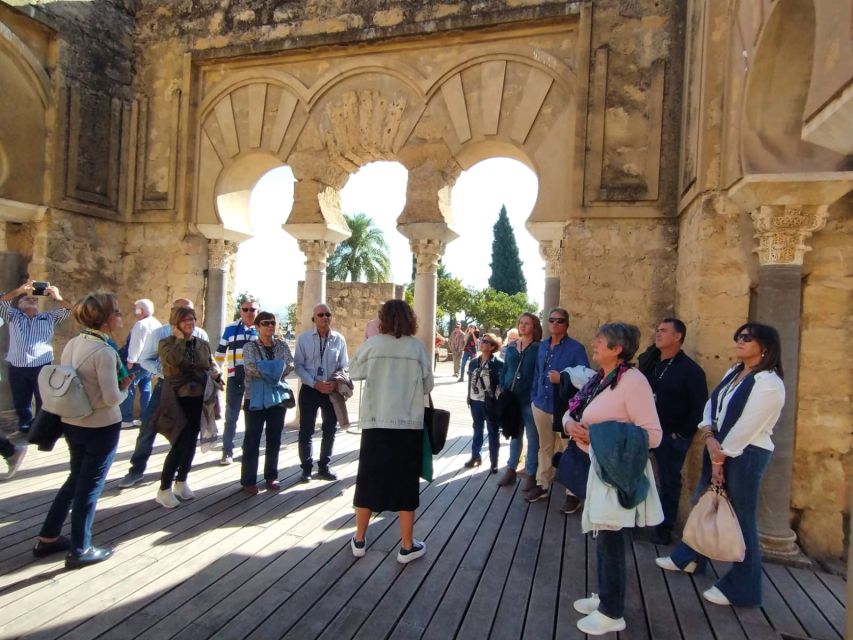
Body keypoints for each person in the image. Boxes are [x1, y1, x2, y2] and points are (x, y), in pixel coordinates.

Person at [656, 323, 785, 609]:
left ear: (765, 346)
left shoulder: (769, 383)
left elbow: (750, 424)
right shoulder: (734, 373)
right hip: (719, 447)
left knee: (740, 517)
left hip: (746, 454)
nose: (740, 340)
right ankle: (689, 557)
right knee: (704, 499)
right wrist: (710, 435)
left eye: (747, 338)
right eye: (738, 336)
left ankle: (743, 587)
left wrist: (719, 455)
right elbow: (711, 406)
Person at [564, 322, 662, 635]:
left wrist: (599, 435)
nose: (594, 344)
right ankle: (606, 597)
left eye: (600, 340)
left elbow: (653, 435)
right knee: (603, 538)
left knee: (613, 541)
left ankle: (612, 612)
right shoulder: (600, 379)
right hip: (598, 469)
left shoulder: (633, 382)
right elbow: (573, 410)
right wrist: (570, 426)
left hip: (616, 473)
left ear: (617, 348)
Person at [33, 292, 132, 568]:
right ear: (104, 319)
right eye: (117, 311)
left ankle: (49, 536)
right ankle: (80, 549)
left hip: (72, 422)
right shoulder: (104, 351)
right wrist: (126, 389)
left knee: (75, 479)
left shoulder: (73, 343)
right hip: (100, 426)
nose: (120, 315)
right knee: (89, 487)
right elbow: (112, 398)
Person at [348, 299, 433, 564]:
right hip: (408, 425)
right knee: (406, 484)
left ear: (383, 318)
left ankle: (360, 539)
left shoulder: (372, 345)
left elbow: (354, 372)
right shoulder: (417, 347)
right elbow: (427, 385)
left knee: (368, 479)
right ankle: (407, 546)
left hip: (375, 422)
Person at [117, 298, 209, 488]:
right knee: (149, 428)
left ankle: (180, 475)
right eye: (180, 311)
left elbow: (207, 359)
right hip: (166, 387)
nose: (187, 317)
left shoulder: (200, 334)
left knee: (187, 433)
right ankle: (136, 470)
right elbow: (145, 359)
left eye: (189, 312)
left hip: (191, 391)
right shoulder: (160, 334)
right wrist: (166, 373)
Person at [637, 318, 708, 545]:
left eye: (664, 331)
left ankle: (664, 528)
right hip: (643, 431)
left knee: (668, 482)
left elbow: (700, 407)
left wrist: (682, 434)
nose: (658, 334)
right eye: (657, 329)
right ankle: (634, 519)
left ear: (678, 337)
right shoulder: (651, 363)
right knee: (636, 475)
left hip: (670, 436)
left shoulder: (691, 370)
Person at [155, 306, 219, 508]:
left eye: (192, 319)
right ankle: (164, 488)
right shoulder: (166, 343)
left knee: (191, 440)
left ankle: (181, 481)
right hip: (176, 397)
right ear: (176, 323)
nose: (189, 323)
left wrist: (214, 372)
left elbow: (207, 363)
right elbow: (172, 361)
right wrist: (181, 340)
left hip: (197, 395)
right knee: (180, 442)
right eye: (184, 320)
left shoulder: (202, 343)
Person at [528, 307, 589, 504]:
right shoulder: (543, 346)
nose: (555, 323)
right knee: (544, 447)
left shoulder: (576, 349)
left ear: (567, 324)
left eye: (560, 321)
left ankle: (573, 493)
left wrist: (562, 378)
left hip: (564, 409)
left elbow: (586, 379)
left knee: (570, 448)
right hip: (541, 404)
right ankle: (542, 484)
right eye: (552, 320)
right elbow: (537, 373)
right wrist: (534, 397)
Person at [0, 280, 73, 433]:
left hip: (42, 365)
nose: (32, 300)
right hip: (18, 366)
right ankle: (25, 426)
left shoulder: (48, 317)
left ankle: (41, 427)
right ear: (18, 305)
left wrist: (57, 297)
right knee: (21, 400)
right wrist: (19, 291)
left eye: (34, 299)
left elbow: (71, 310)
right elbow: (3, 302)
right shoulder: (14, 316)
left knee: (43, 399)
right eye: (27, 299)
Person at [294, 303, 348, 483]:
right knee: (306, 429)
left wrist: (334, 382)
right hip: (310, 389)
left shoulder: (339, 339)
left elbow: (344, 366)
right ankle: (306, 468)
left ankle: (324, 465)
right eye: (321, 315)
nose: (325, 317)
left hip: (331, 390)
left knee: (330, 429)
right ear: (313, 319)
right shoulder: (304, 339)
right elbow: (299, 365)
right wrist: (314, 383)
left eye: (328, 314)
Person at [240, 311, 294, 494]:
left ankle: (271, 476)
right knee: (252, 440)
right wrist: (275, 371)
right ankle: (248, 480)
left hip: (277, 399)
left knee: (274, 439)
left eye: (272, 322)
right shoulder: (249, 347)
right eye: (265, 323)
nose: (270, 326)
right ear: (257, 326)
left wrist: (268, 370)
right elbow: (249, 367)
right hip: (254, 397)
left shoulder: (282, 345)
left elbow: (290, 365)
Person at [497, 312, 542, 488]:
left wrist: (534, 393)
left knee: (532, 437)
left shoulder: (539, 349)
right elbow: (506, 368)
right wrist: (502, 386)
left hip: (528, 400)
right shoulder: (512, 346)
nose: (523, 326)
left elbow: (539, 373)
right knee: (515, 435)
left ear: (534, 327)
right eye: (521, 323)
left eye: (527, 323)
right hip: (511, 399)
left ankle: (531, 473)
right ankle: (511, 470)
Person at [214, 294, 260, 465]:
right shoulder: (231, 329)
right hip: (235, 378)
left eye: (252, 309)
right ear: (240, 311)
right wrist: (216, 373)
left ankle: (248, 450)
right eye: (245, 309)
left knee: (253, 416)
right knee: (231, 416)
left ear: (257, 311)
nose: (249, 312)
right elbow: (219, 354)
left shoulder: (261, 328)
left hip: (255, 380)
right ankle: (227, 451)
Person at [464, 333, 504, 472]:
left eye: (486, 341)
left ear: (492, 346)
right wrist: (469, 397)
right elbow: (470, 381)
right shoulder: (473, 362)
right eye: (481, 340)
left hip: (491, 402)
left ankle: (494, 462)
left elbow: (501, 385)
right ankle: (476, 456)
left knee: (493, 432)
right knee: (477, 429)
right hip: (475, 401)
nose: (481, 342)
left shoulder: (499, 364)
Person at [119, 299, 162, 429]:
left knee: (128, 387)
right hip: (151, 361)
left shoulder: (141, 324)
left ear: (142, 310)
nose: (135, 312)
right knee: (146, 387)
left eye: (137, 309)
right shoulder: (157, 323)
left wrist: (130, 361)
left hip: (137, 362)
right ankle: (145, 417)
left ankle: (126, 418)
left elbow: (136, 344)